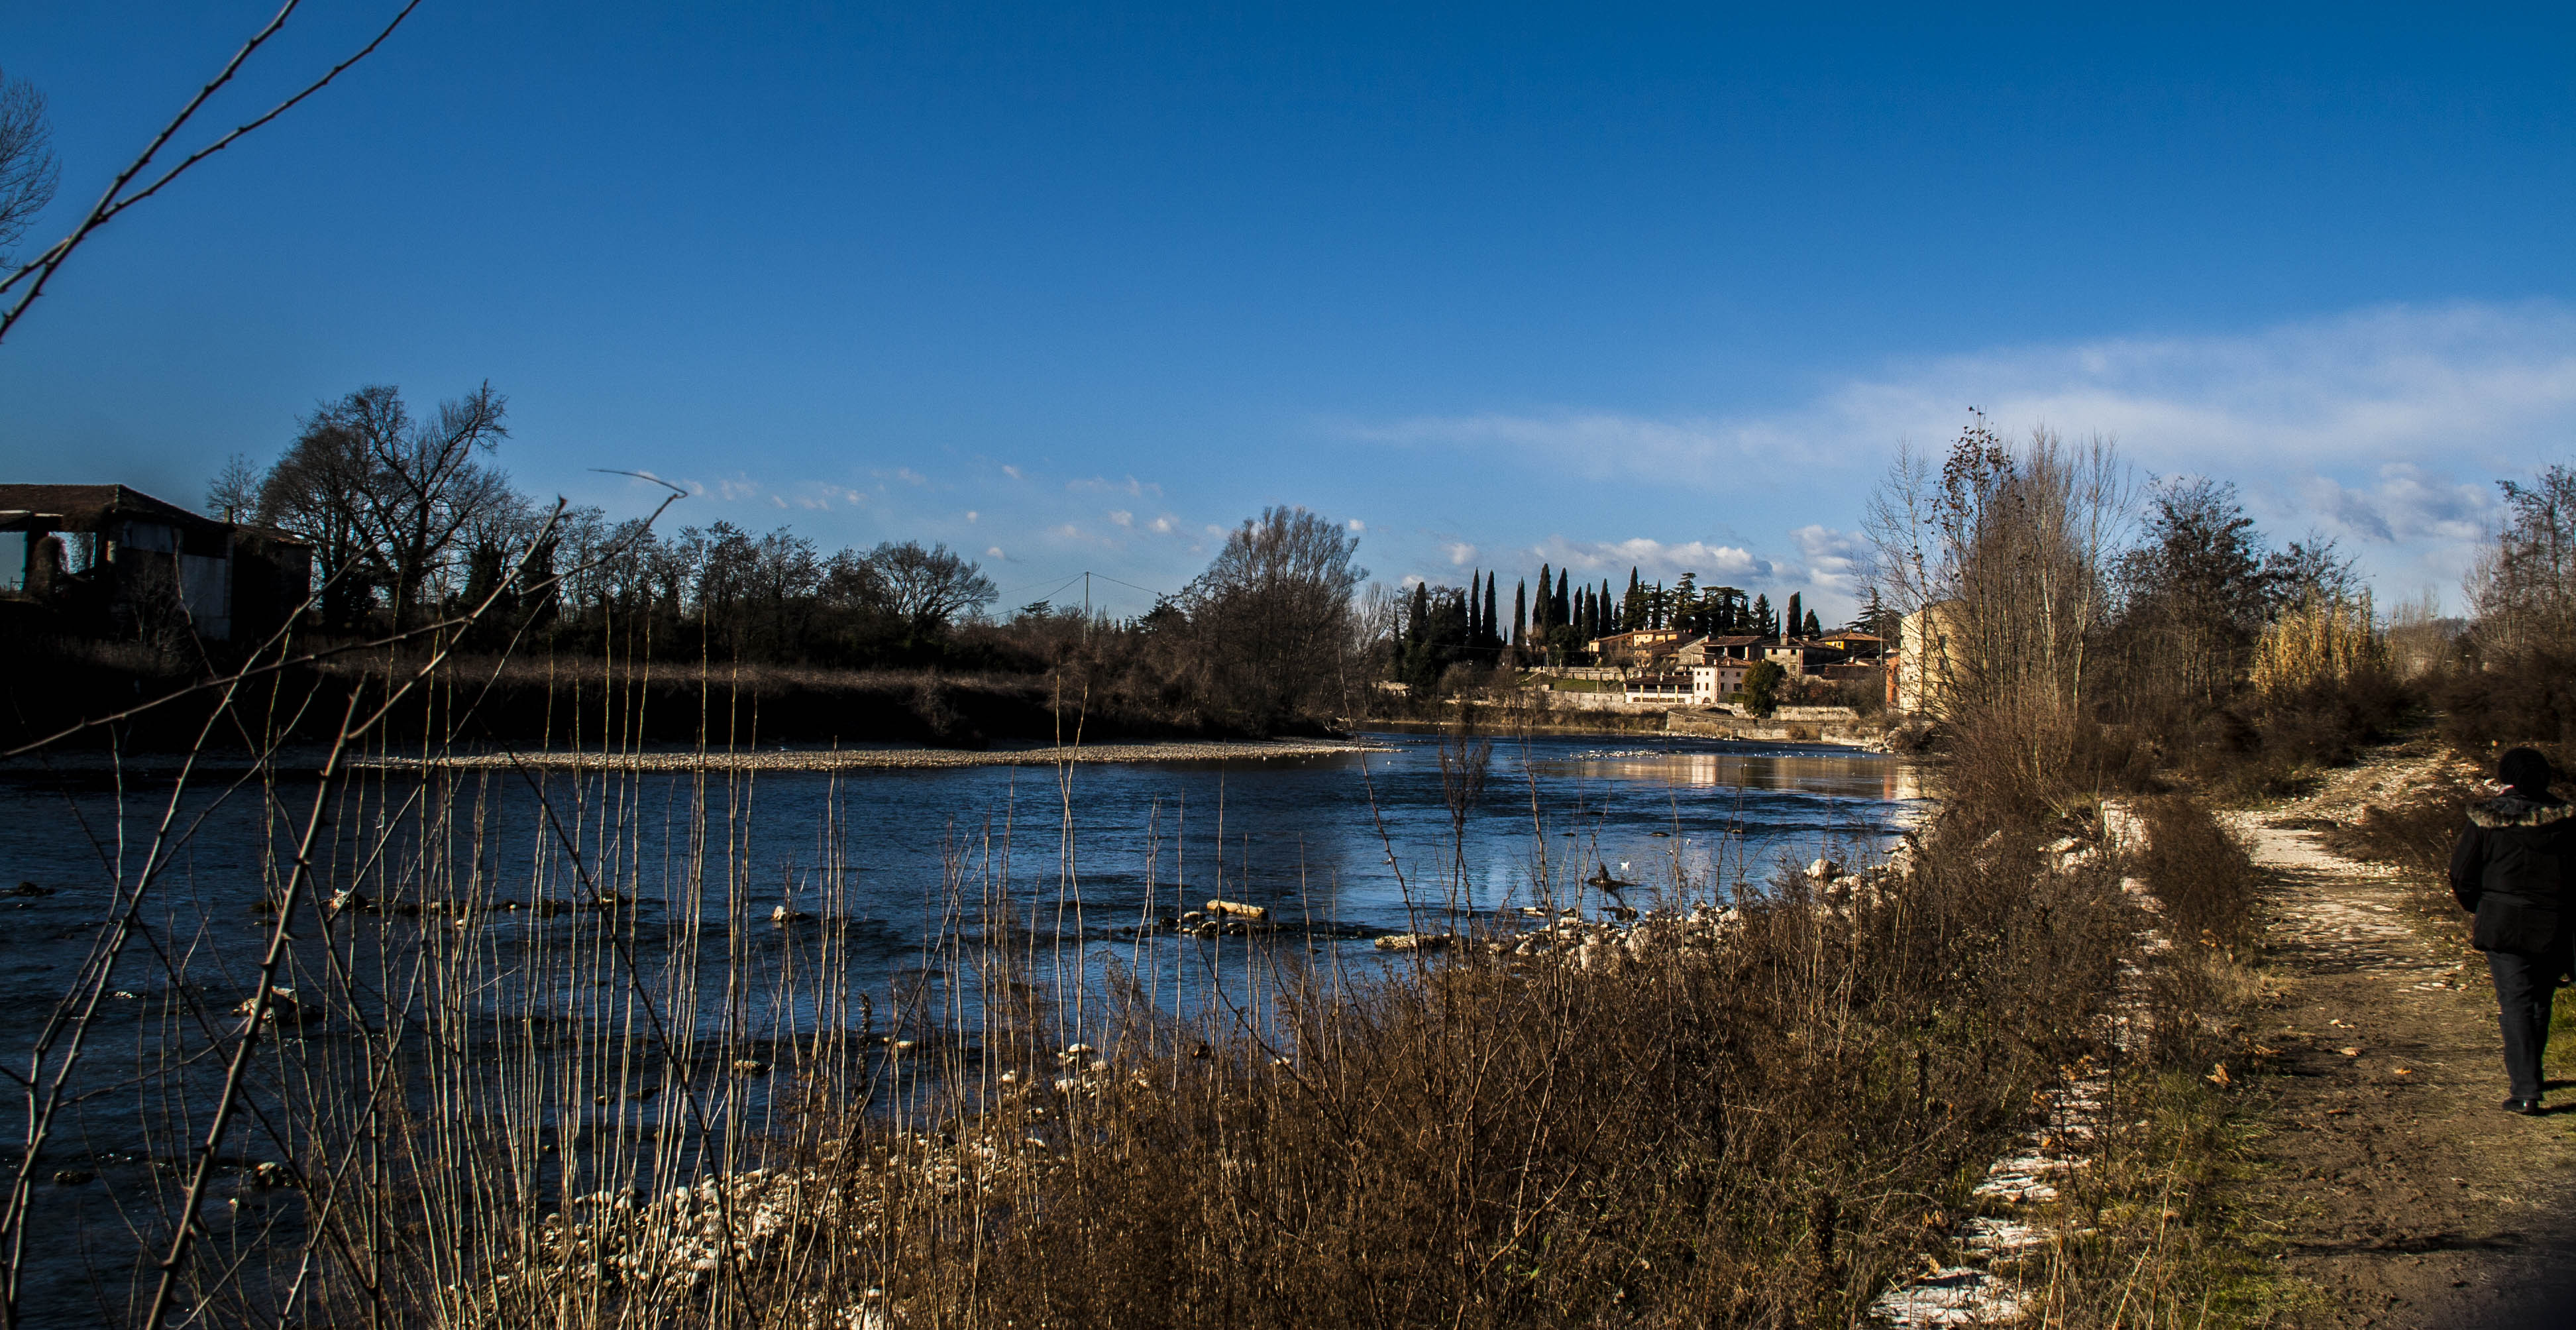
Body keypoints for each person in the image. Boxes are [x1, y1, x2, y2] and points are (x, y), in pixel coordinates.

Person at [2450, 747, 2576, 1114]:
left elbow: (2462, 875)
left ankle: (2526, 1090)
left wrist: (2482, 906)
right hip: (2554, 922)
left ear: (2507, 778)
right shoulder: (2567, 820)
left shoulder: (2487, 819)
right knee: (2540, 1001)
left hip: (2503, 921)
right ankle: (2530, 1078)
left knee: (2516, 1002)